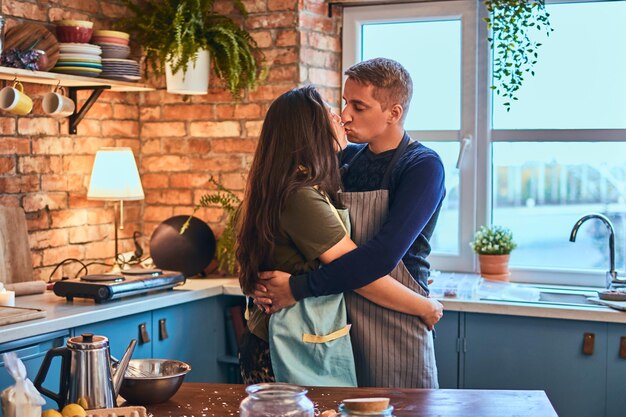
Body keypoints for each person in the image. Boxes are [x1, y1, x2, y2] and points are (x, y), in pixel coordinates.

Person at [256, 58, 446, 388]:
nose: (345, 116)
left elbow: (381, 258)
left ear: (393, 113)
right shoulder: (344, 160)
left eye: (358, 106)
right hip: (341, 316)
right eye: (345, 103)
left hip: (396, 314)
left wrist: (296, 288)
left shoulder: (422, 166)